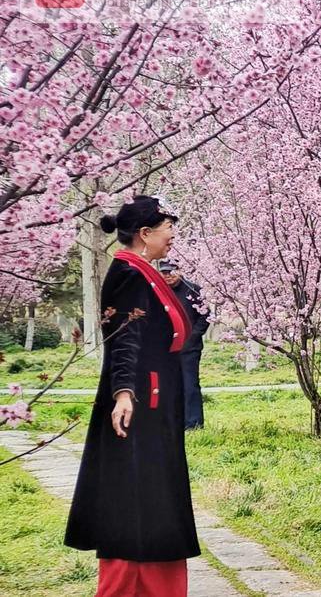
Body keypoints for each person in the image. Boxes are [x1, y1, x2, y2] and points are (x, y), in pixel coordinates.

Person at [65, 195, 200, 596]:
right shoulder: (129, 274)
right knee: (133, 496)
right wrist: (123, 393)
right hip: (139, 405)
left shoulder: (146, 273)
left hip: (155, 405)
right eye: (168, 228)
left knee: (155, 497)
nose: (172, 235)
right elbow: (123, 340)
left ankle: (160, 586)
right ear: (145, 233)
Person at [158, 259, 211, 430]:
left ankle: (193, 423)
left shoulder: (193, 290)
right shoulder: (158, 291)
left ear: (179, 271)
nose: (168, 276)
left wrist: (192, 337)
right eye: (164, 272)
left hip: (189, 348)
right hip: (166, 348)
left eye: (171, 272)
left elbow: (205, 316)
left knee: (190, 385)